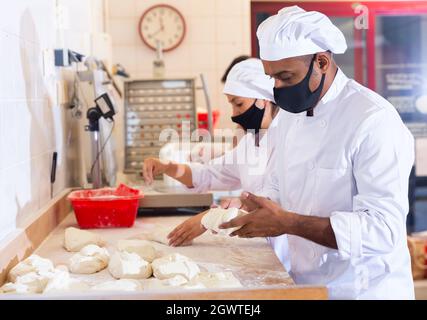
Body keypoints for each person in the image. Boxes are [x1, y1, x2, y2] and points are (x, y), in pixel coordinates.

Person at [219, 6, 415, 299]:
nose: (277, 88)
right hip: (306, 285)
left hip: (363, 289)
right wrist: (256, 205)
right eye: (272, 77)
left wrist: (287, 222)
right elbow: (277, 186)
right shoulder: (287, 117)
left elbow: (383, 230)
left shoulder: (372, 120)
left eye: (286, 77)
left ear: (321, 62)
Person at [143, 58, 290, 271]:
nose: (234, 113)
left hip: (287, 256)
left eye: (238, 103)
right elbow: (209, 174)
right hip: (260, 249)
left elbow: (273, 204)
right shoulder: (250, 141)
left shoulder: (288, 141)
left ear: (263, 99)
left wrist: (208, 218)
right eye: (231, 103)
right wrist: (167, 166)